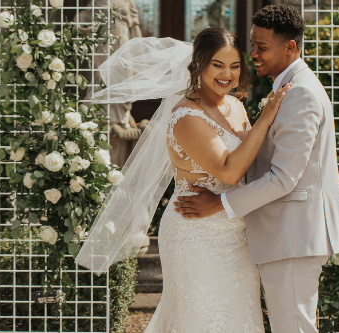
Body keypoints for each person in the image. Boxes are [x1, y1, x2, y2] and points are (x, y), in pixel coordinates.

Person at [76, 27, 290, 332]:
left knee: (239, 318)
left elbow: (251, 161)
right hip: (196, 233)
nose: (227, 75)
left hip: (237, 233)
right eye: (217, 65)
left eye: (234, 66)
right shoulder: (187, 117)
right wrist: (267, 117)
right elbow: (229, 170)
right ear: (198, 66)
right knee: (200, 318)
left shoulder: (236, 106)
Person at [173, 4, 339, 333]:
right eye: (252, 45)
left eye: (262, 47)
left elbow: (284, 178)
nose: (253, 54)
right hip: (281, 235)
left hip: (293, 234)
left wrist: (220, 203)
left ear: (290, 47)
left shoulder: (299, 93)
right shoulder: (283, 89)